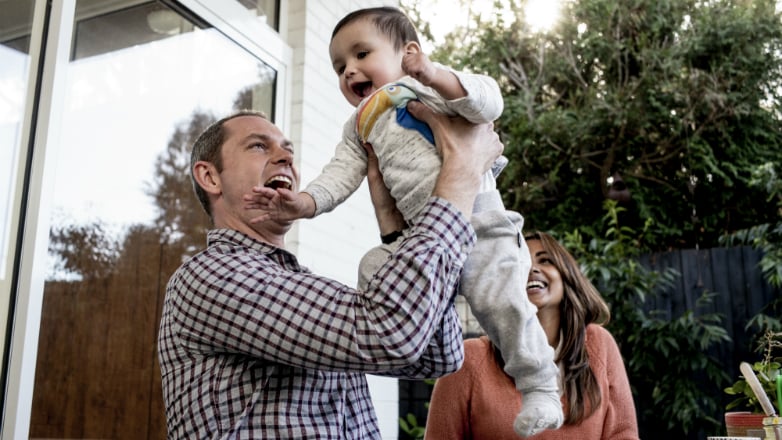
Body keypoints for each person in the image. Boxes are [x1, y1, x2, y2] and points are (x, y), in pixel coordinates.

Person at [244, 7, 562, 437]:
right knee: (374, 265)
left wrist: (434, 74)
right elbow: (339, 176)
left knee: (502, 302)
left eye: (361, 54)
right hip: (419, 237)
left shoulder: (424, 86)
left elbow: (489, 99)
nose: (350, 70)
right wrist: (302, 203)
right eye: (340, 66)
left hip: (479, 220)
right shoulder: (358, 125)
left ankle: (540, 384)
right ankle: (410, 338)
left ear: (407, 53)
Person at [156, 106, 502, 439]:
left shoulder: (297, 282)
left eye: (288, 150)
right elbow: (388, 331)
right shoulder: (210, 276)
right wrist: (461, 171)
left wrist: (397, 236)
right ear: (210, 176)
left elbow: (437, 355)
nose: (285, 158)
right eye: (259, 146)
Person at [424, 231, 640, 440]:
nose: (532, 268)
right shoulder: (468, 359)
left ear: (567, 276)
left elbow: (622, 435)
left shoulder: (599, 344)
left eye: (545, 260)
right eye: (521, 262)